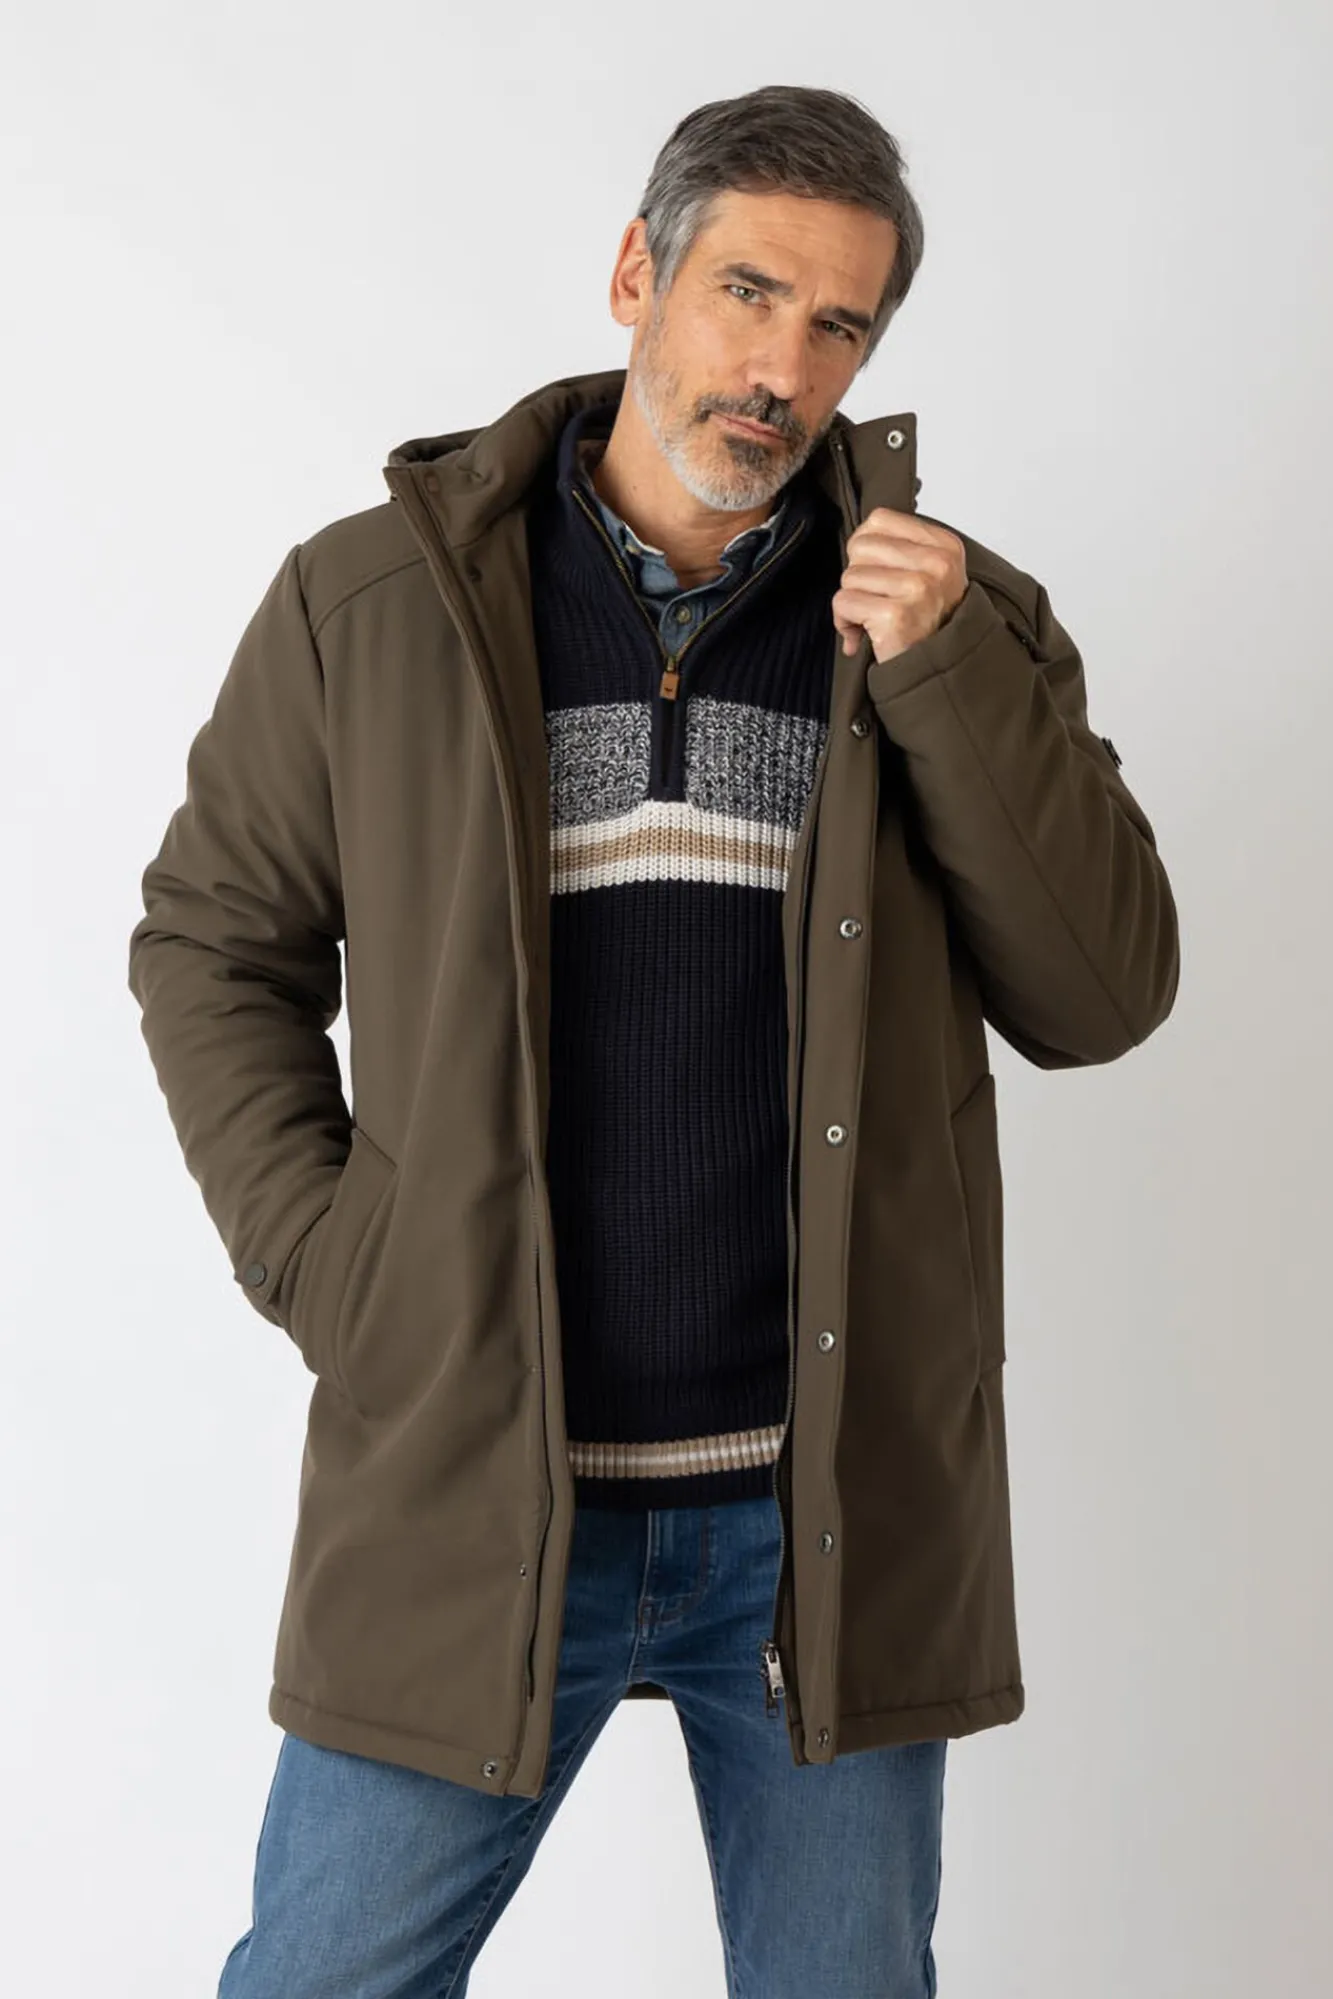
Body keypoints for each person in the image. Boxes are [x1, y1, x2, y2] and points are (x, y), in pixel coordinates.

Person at [127, 82, 1180, 1999]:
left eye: (838, 324)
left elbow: (1102, 996)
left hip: (820, 1520)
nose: (782, 368)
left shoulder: (958, 624)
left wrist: (948, 675)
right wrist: (339, 1266)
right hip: (468, 1483)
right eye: (746, 292)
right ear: (638, 274)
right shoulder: (375, 602)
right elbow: (213, 942)